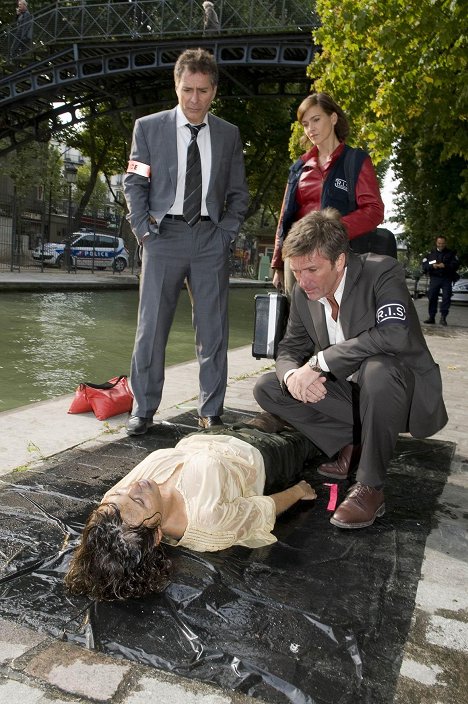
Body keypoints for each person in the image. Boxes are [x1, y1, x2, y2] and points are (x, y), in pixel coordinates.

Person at [253, 208, 448, 530]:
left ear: (340, 261)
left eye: (312, 269)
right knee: (269, 388)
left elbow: (394, 334)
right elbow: (288, 349)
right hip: (350, 397)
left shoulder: (382, 272)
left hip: (399, 395)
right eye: (297, 271)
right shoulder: (304, 293)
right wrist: (291, 375)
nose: (303, 281)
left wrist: (319, 363)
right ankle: (352, 439)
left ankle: (370, 486)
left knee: (378, 370)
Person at [123, 48, 249, 436]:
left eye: (203, 91)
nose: (194, 99)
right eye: (187, 89)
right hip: (163, 236)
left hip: (210, 237)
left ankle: (211, 412)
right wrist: (144, 231)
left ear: (214, 91)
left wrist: (226, 233)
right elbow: (134, 183)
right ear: (175, 86)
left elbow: (239, 193)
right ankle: (142, 410)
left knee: (213, 331)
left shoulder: (228, 135)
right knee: (151, 328)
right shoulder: (148, 127)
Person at [64, 428, 317, 601]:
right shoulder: (209, 522)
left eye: (118, 495)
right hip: (262, 454)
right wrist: (298, 491)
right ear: (155, 536)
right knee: (311, 427)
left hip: (203, 438)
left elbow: (119, 501)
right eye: (138, 499)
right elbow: (262, 511)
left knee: (271, 409)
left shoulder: (114, 507)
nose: (133, 487)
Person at [271, 93, 384, 296]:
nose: (310, 128)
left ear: (333, 118)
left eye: (316, 120)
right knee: (298, 323)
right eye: (305, 124)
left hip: (335, 256)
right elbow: (284, 219)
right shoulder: (299, 167)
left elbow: (374, 211)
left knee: (335, 322)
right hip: (296, 257)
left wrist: (330, 232)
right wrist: (278, 263)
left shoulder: (356, 161)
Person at [421, 235, 460, 326]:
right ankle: (431, 317)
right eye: (439, 243)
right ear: (436, 243)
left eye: (442, 243)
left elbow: (456, 265)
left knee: (446, 297)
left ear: (445, 243)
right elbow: (424, 265)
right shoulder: (430, 254)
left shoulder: (451, 254)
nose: (441, 245)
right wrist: (432, 266)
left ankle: (443, 317)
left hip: (446, 278)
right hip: (435, 278)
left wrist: (445, 266)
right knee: (432, 297)